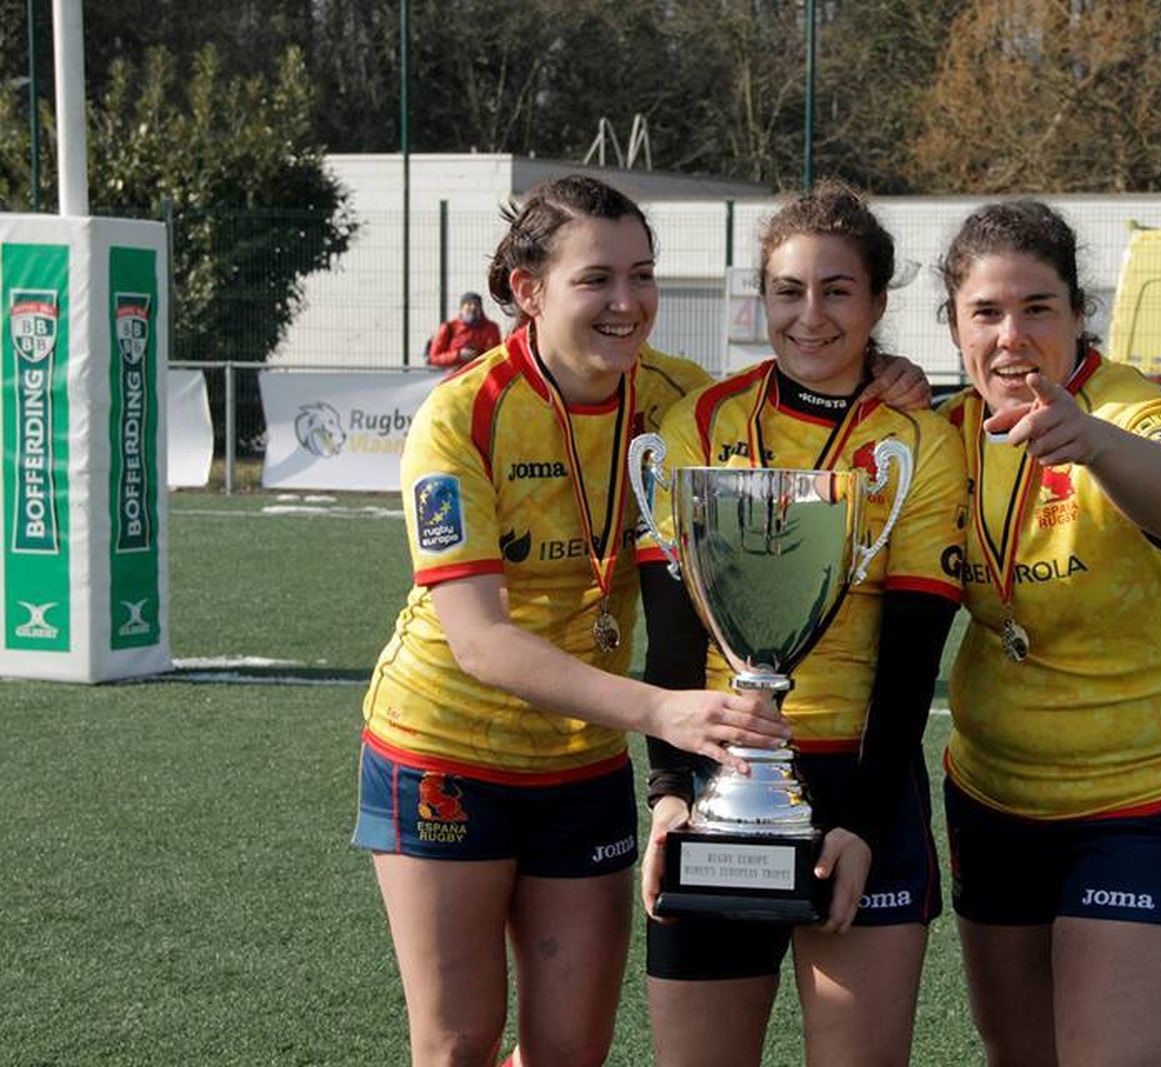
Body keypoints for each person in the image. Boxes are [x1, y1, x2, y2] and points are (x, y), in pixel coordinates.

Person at [353, 175, 796, 1067]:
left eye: (643, 275)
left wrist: (893, 374)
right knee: (458, 1042)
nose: (627, 303)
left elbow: (812, 411)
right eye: (597, 279)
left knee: (569, 1051)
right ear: (529, 288)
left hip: (582, 761)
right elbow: (478, 640)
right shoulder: (459, 416)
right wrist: (661, 711)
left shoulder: (684, 399)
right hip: (444, 748)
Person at [637, 181, 967, 1066]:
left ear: (877, 303)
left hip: (863, 787)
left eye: (836, 291)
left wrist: (858, 820)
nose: (809, 315)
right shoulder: (700, 423)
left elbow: (912, 652)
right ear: (763, 298)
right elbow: (670, 637)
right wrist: (669, 790)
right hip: (718, 786)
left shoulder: (917, 438)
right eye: (788, 291)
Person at [935, 200, 1161, 1067]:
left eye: (1038, 309)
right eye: (985, 312)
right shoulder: (947, 431)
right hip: (992, 798)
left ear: (1077, 313)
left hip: (1142, 801)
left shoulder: (1132, 411)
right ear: (955, 325)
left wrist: (1095, 442)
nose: (1011, 336)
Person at [427, 291, 502, 369]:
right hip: (456, 377)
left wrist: (479, 355)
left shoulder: (491, 328)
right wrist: (458, 355)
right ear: (461, 308)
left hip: (482, 376)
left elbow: (497, 355)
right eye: (469, 304)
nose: (473, 308)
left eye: (476, 305)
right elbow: (434, 358)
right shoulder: (449, 327)